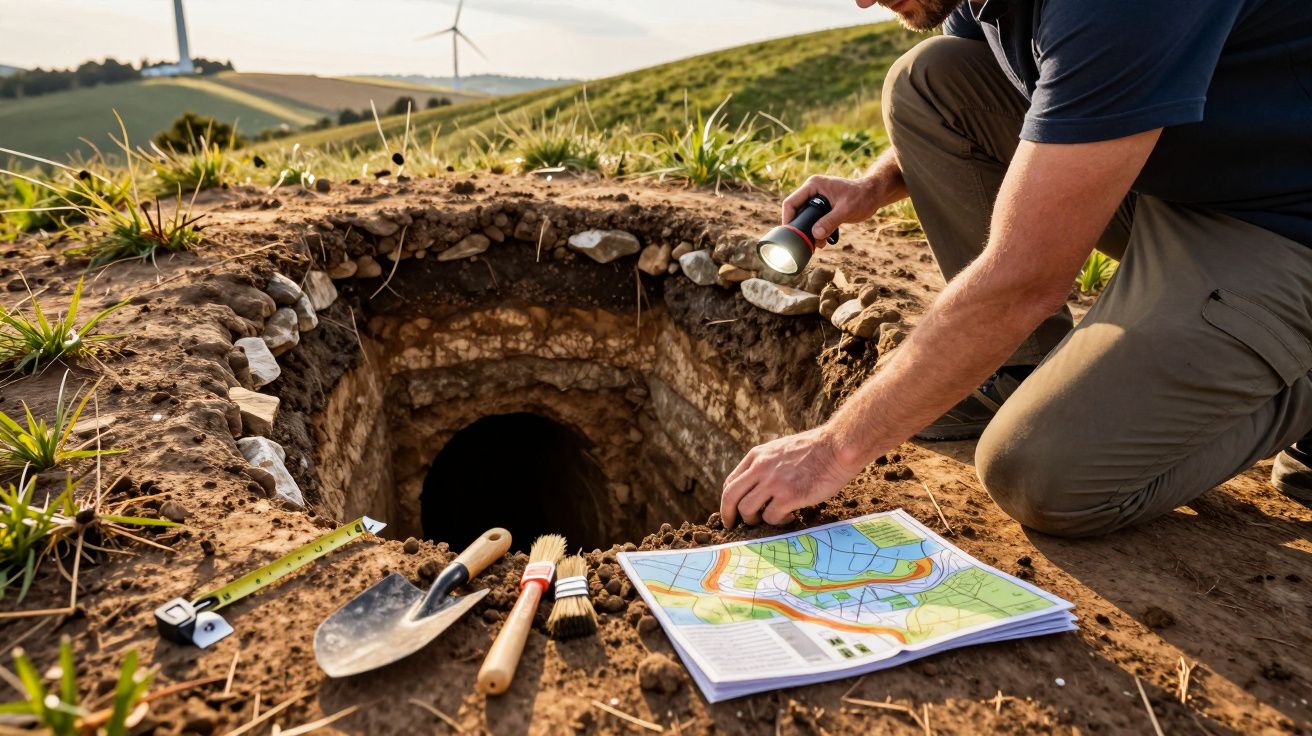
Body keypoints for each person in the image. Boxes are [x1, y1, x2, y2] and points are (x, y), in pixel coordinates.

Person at [720, 0, 1312, 537]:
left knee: (1042, 474)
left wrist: (831, 451)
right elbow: (992, 101)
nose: (863, 1)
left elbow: (1023, 278)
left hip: (1275, 224)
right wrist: (872, 185)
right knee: (928, 78)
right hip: (1170, 169)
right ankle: (1014, 369)